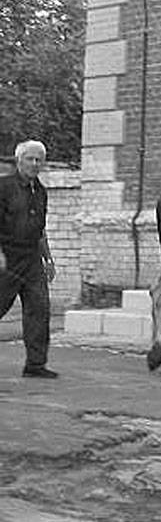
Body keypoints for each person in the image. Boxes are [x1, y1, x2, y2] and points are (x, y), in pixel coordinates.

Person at [0, 140, 58, 378]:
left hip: (32, 257)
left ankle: (35, 364)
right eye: (30, 159)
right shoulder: (4, 187)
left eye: (38, 160)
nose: (35, 164)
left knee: (39, 308)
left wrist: (48, 259)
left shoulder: (41, 191)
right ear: (18, 161)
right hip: (7, 256)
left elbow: (40, 229)